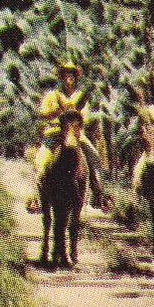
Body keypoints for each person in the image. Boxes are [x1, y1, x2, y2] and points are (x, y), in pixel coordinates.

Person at [33, 62, 108, 206]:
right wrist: (55, 111)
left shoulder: (80, 97)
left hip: (76, 133)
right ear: (61, 77)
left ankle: (98, 193)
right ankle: (36, 195)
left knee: (94, 157)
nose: (69, 79)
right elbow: (42, 113)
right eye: (66, 75)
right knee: (41, 159)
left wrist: (74, 115)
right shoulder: (52, 95)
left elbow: (85, 117)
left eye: (71, 75)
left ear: (75, 77)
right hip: (54, 132)